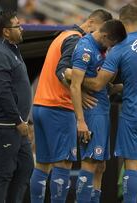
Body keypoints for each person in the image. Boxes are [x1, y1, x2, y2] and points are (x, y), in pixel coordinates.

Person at [82, 4, 137, 203]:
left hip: (134, 113)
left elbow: (97, 84)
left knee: (131, 167)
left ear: (119, 23)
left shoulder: (120, 47)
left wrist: (75, 78)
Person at [30, 9, 112, 203]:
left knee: (42, 166)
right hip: (59, 107)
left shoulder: (63, 35)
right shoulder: (77, 40)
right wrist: (79, 91)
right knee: (63, 165)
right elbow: (62, 70)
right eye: (100, 32)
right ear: (91, 23)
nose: (100, 39)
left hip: (40, 104)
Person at [70, 19, 127, 203]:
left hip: (103, 109)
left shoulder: (101, 49)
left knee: (100, 165)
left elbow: (102, 85)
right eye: (112, 44)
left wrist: (121, 86)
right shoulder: (85, 49)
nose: (112, 48)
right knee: (90, 162)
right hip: (92, 112)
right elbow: (74, 85)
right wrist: (80, 121)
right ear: (105, 36)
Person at [0, 10, 33, 203]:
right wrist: (17, 120)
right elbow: (3, 92)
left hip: (16, 125)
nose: (22, 28)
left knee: (26, 166)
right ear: (5, 32)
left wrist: (24, 120)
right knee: (2, 174)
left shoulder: (11, 49)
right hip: (3, 124)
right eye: (17, 26)